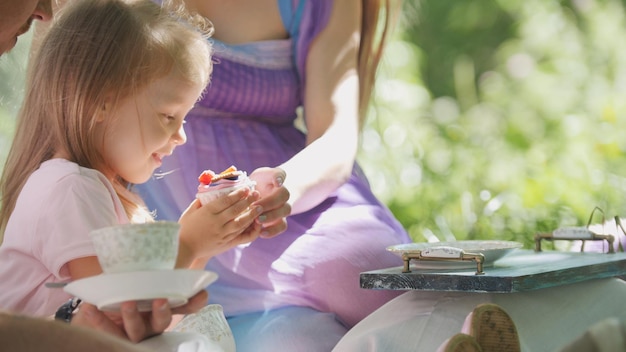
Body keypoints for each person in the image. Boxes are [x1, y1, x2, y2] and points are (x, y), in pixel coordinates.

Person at [0, 0, 286, 347]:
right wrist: (188, 241)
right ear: (100, 101)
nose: (181, 135)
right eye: (168, 116)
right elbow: (124, 318)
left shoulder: (103, 193)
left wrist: (208, 242)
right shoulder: (68, 188)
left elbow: (161, 321)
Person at [131, 0, 412, 349]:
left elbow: (335, 136)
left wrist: (280, 187)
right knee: (298, 342)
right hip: (166, 229)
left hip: (291, 205)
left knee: (372, 272)